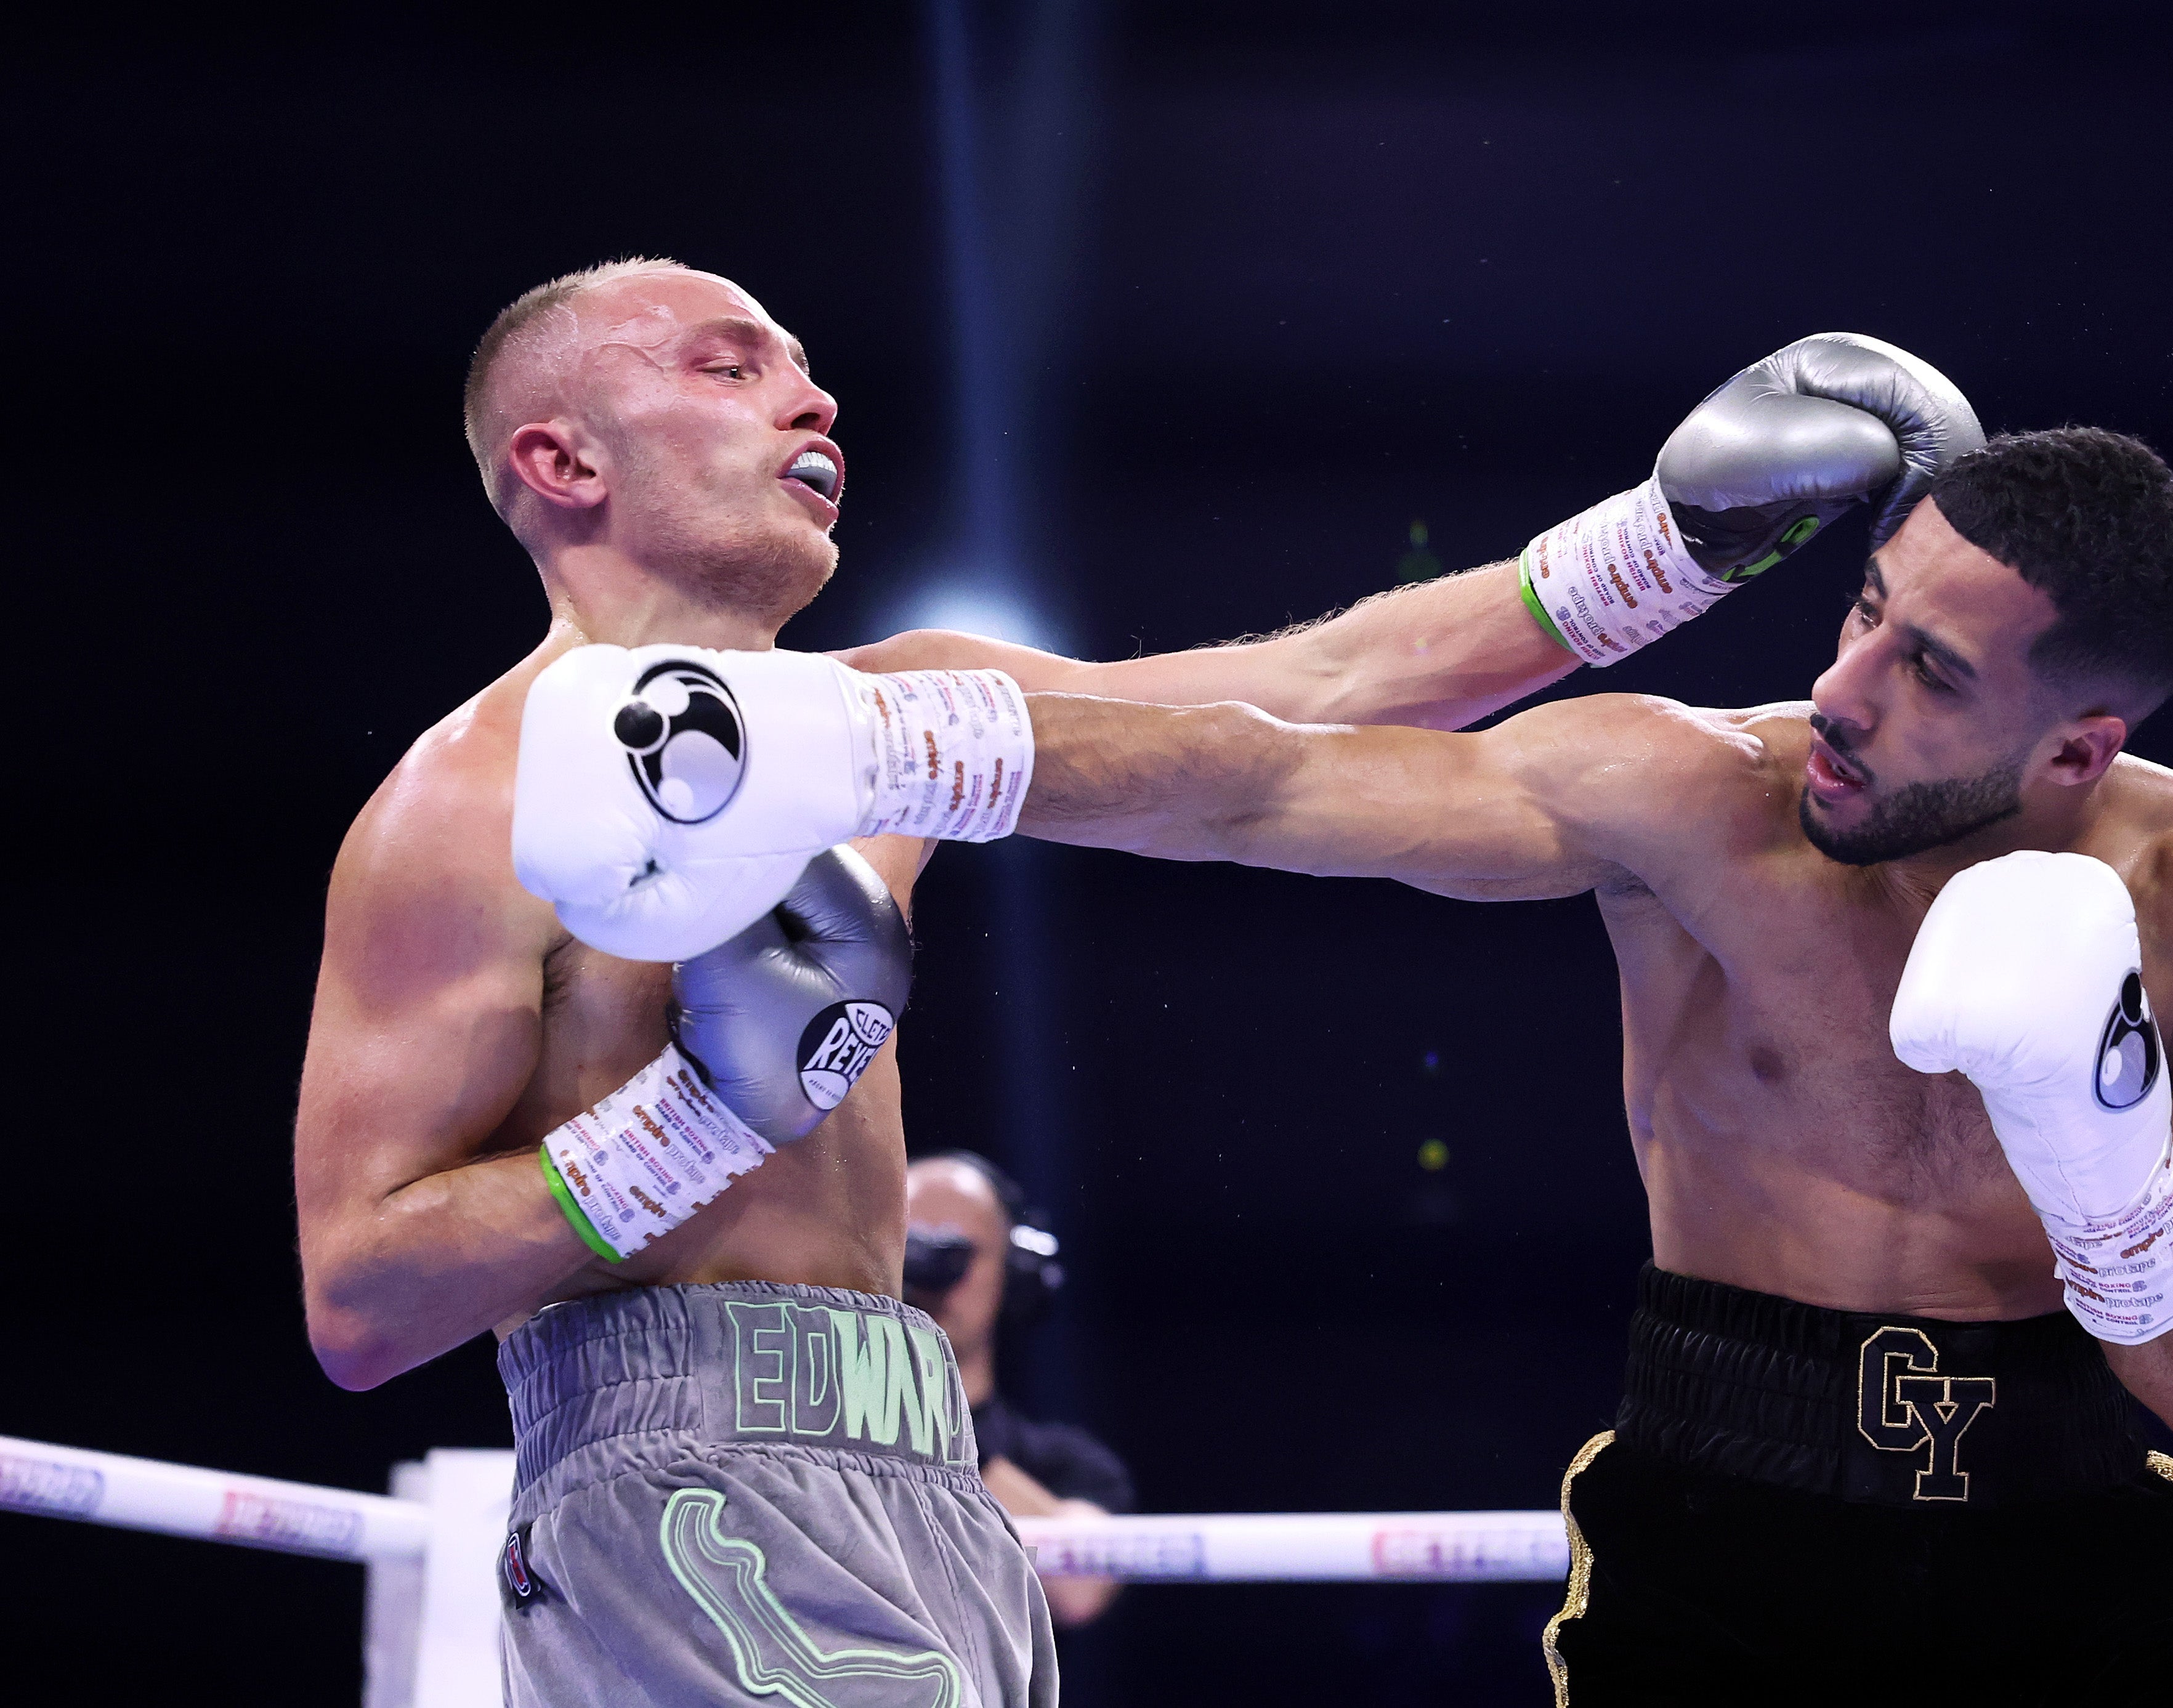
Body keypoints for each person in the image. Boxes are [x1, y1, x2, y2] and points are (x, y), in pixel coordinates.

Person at [299, 261, 1946, 1703]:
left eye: (801, 365)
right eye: (727, 364)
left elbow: (1302, 697)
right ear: (560, 457)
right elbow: (359, 1298)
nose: (809, 392)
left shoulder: (885, 719)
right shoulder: (467, 803)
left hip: (932, 1478)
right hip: (682, 1495)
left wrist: (1669, 545)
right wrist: (700, 1115)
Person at [517, 406, 2173, 1701]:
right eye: (1864, 613)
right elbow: (1273, 777)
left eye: (1933, 674)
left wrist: (2100, 1154)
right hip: (1724, 1521)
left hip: (2067, 1535)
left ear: (2079, 749)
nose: (1847, 691)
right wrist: (861, 749)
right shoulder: (1698, 800)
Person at [905, 1152, 1133, 1627]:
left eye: (956, 1251)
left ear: (1016, 1273)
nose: (928, 1273)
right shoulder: (812, 1431)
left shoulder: (1064, 1463)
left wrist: (930, 1428)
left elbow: (1080, 1590)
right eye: (907, 1249)